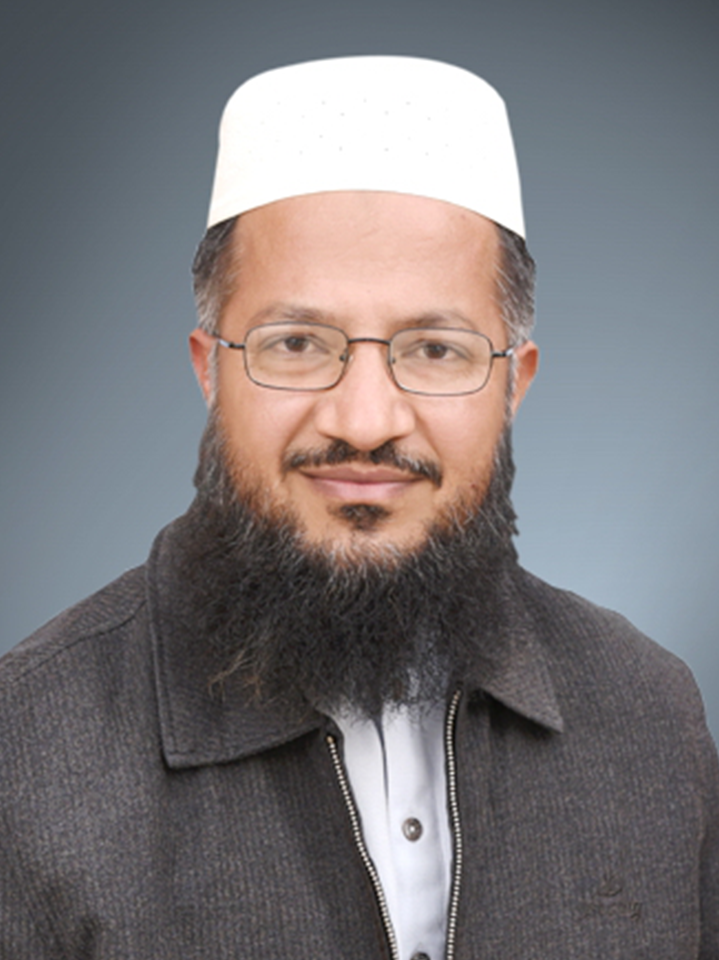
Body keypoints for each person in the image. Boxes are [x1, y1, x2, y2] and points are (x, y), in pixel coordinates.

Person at [0, 55, 716, 960]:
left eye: (435, 350)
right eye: (297, 343)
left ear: (514, 384)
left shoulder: (650, 712)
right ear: (209, 370)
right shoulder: (24, 749)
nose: (367, 421)